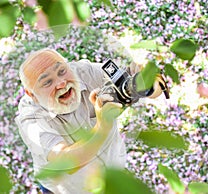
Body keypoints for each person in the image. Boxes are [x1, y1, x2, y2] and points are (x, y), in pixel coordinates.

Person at [15, 48, 165, 194]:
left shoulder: (86, 72)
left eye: (62, 71)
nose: (61, 83)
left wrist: (147, 82)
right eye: (47, 82)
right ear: (31, 94)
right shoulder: (30, 120)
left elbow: (147, 86)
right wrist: (102, 127)